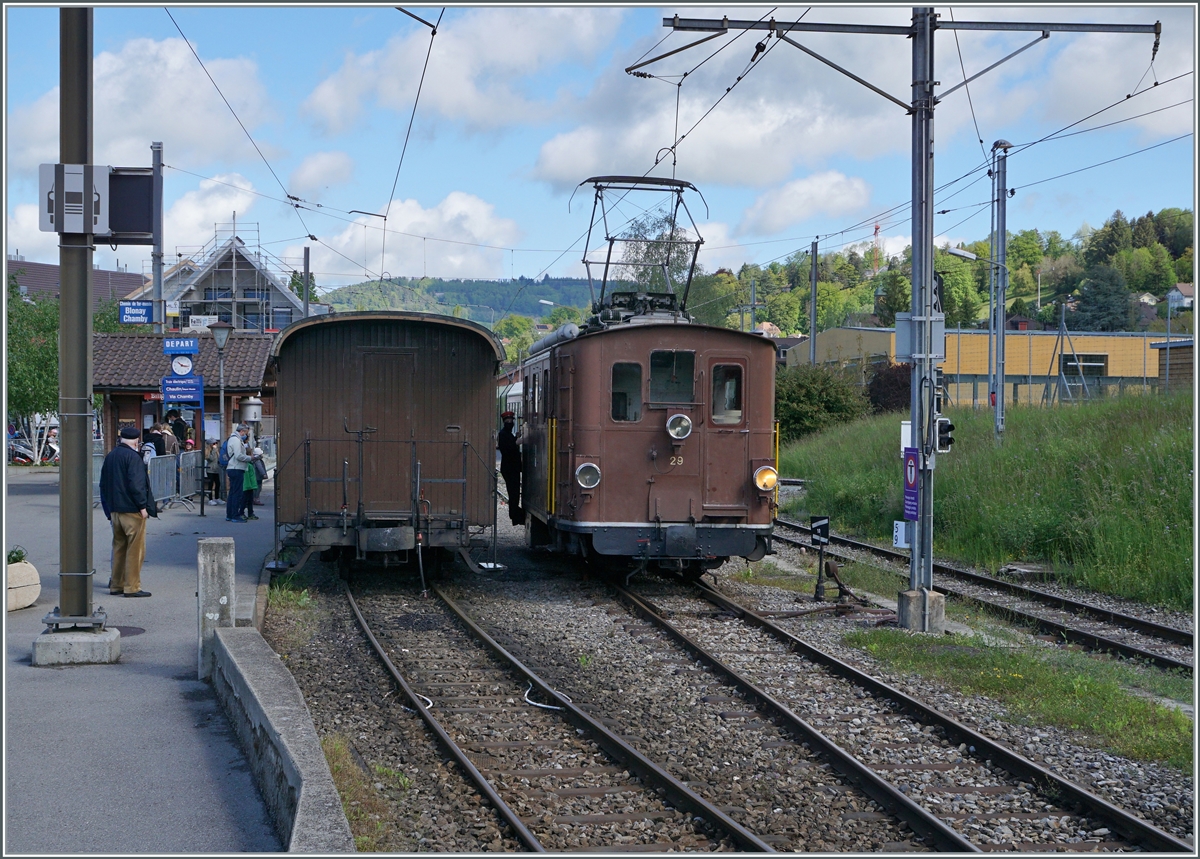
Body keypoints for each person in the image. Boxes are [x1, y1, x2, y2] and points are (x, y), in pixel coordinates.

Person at [99, 426, 157, 597]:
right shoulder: (133, 458)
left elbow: (103, 484)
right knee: (135, 550)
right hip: (131, 510)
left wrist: (109, 510)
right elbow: (136, 485)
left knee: (119, 548)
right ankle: (132, 587)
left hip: (115, 510)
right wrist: (143, 507)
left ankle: (116, 584)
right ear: (136, 441)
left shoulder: (111, 456)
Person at [497, 411, 525, 526]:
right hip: (510, 468)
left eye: (511, 421)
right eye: (508, 421)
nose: (510, 423)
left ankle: (516, 515)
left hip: (512, 468)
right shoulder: (503, 434)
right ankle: (515, 515)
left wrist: (516, 438)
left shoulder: (507, 433)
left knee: (514, 493)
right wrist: (516, 442)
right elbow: (507, 449)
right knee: (513, 493)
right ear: (504, 422)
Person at [224, 424, 252, 522]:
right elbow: (238, 455)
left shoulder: (232, 439)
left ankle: (230, 514)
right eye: (246, 433)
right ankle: (235, 515)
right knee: (237, 493)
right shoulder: (236, 440)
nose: (246, 435)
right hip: (236, 467)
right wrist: (250, 458)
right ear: (242, 431)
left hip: (232, 468)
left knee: (232, 493)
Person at [204, 438, 222, 503]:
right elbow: (210, 458)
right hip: (210, 470)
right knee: (210, 484)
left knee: (218, 483)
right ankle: (210, 499)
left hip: (216, 470)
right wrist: (214, 450)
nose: (215, 445)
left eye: (216, 443)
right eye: (214, 443)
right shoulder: (208, 451)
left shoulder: (216, 451)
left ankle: (217, 497)